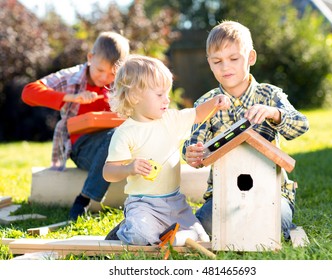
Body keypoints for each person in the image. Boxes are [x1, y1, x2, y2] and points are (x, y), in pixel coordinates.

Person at [182, 20, 309, 241]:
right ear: (209, 64)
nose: (225, 67)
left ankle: (268, 225)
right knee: (203, 229)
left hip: (272, 193)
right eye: (217, 61)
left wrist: (274, 113)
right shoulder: (206, 103)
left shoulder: (270, 95)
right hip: (223, 195)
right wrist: (191, 153)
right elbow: (193, 145)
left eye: (233, 58)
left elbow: (301, 125)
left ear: (250, 58)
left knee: (273, 223)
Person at [102, 54, 231, 245]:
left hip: (175, 203)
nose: (167, 99)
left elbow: (197, 114)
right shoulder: (125, 133)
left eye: (167, 94)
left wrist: (215, 102)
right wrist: (129, 168)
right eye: (160, 95)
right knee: (141, 236)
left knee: (202, 239)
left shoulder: (170, 119)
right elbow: (108, 173)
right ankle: (128, 228)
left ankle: (162, 233)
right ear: (135, 96)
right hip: (143, 205)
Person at [21, 31, 130, 220]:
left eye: (112, 74)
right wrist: (69, 97)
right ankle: (84, 200)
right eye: (100, 70)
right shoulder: (71, 76)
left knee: (120, 136)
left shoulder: (122, 82)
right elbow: (28, 92)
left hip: (119, 146)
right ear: (90, 58)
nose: (105, 78)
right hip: (82, 147)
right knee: (114, 138)